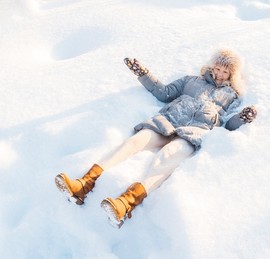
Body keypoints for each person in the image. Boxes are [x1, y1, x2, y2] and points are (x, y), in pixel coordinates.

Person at [55, 48, 257, 228]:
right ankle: (83, 184)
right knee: (134, 142)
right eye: (217, 68)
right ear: (211, 66)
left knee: (167, 158)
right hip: (167, 121)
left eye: (225, 71)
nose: (220, 74)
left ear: (232, 74)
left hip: (193, 134)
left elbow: (227, 125)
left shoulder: (232, 96)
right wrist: (143, 73)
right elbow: (164, 93)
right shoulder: (190, 81)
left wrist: (242, 118)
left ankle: (125, 203)